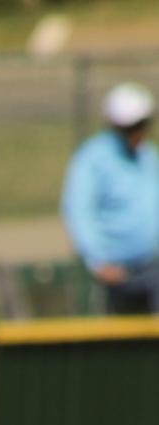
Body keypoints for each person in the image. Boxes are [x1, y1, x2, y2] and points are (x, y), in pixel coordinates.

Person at [61, 83, 159, 316]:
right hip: (117, 274)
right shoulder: (93, 158)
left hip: (152, 266)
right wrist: (98, 261)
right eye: (131, 127)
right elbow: (78, 209)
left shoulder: (148, 156)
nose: (137, 132)